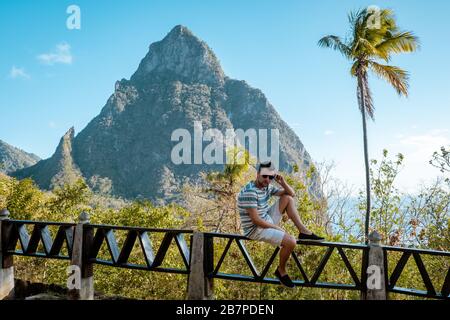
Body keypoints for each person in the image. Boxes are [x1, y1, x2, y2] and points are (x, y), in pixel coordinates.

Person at [237, 160, 324, 288]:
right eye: (264, 176)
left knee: (288, 198)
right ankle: (281, 271)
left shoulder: (266, 187)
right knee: (291, 242)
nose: (267, 179)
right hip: (256, 229)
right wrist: (276, 227)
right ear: (257, 174)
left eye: (270, 177)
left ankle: (304, 231)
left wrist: (282, 182)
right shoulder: (250, 192)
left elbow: (291, 193)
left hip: (266, 219)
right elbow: (256, 220)